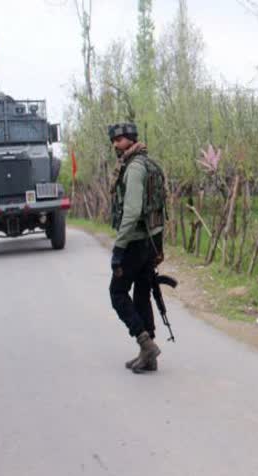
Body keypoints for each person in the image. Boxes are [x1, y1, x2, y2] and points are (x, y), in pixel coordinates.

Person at [107, 122, 167, 374]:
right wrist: (159, 245)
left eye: (119, 140)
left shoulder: (134, 168)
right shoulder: (150, 164)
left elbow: (131, 212)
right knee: (143, 294)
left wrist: (118, 249)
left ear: (130, 140)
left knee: (118, 293)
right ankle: (148, 353)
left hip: (134, 241)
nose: (115, 145)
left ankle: (145, 343)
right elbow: (160, 208)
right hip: (151, 240)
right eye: (114, 140)